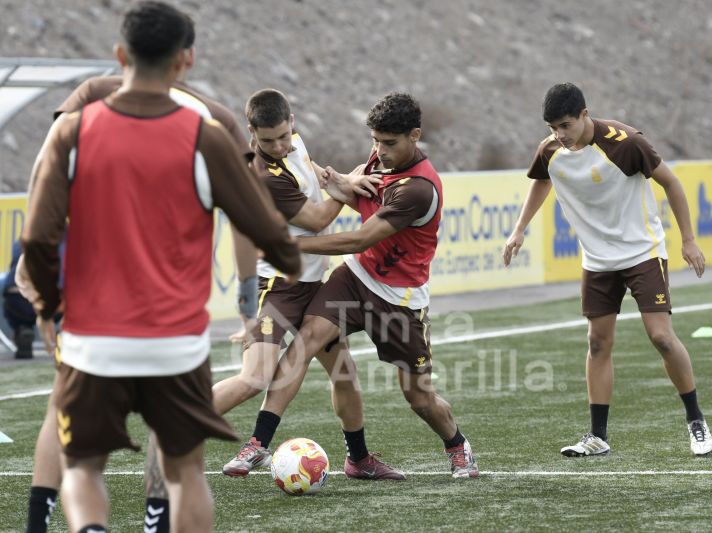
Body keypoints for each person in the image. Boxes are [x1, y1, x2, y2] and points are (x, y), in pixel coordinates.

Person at [21, 2, 300, 532]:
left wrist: (47, 303)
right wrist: (254, 290)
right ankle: (157, 519)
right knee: (186, 471)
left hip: (92, 332)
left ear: (119, 55)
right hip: (176, 339)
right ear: (187, 59)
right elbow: (263, 230)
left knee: (83, 464)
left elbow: (38, 230)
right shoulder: (211, 131)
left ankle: (67, 523)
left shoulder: (75, 123)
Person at [243, 92, 480, 479]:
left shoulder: (418, 189)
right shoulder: (378, 160)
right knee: (306, 342)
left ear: (415, 135)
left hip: (398, 298)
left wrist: (288, 244)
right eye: (375, 140)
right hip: (354, 278)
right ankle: (259, 443)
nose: (379, 151)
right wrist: (342, 181)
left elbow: (357, 238)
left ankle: (457, 445)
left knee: (418, 397)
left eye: (389, 143)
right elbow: (364, 205)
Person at [503, 82, 712, 457]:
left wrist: (688, 240)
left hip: (642, 252)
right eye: (553, 127)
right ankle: (597, 436)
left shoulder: (626, 142)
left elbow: (672, 183)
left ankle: (696, 420)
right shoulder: (550, 149)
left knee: (661, 337)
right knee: (597, 343)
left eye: (566, 125)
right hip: (597, 260)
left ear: (585, 114)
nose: (559, 135)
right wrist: (519, 230)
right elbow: (541, 182)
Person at [215, 88, 404, 479]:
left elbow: (311, 168)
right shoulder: (262, 175)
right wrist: (344, 188)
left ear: (292, 123)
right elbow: (318, 220)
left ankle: (359, 459)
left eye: (284, 136)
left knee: (345, 375)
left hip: (316, 285)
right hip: (278, 288)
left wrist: (332, 177)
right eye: (268, 141)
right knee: (254, 376)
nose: (279, 146)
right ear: (251, 133)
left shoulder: (294, 145)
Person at [3, 241, 37, 359]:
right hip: (41, 298)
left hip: (15, 296)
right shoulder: (55, 243)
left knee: (9, 306)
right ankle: (60, 335)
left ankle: (21, 329)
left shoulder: (18, 245)